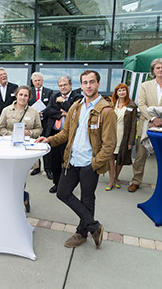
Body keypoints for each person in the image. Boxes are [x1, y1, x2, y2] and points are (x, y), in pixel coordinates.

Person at [36, 70, 116, 249]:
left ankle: (82, 233)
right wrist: (48, 139)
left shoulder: (106, 111)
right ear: (81, 85)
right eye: (85, 82)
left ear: (98, 84)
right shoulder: (76, 106)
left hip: (89, 164)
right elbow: (65, 133)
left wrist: (94, 164)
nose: (88, 86)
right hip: (72, 161)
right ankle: (94, 226)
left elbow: (109, 145)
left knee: (88, 199)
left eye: (92, 82)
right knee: (62, 192)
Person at [129, 58, 162, 192]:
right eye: (158, 68)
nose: (160, 70)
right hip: (147, 125)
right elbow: (141, 105)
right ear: (153, 70)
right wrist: (153, 119)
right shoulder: (145, 86)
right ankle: (135, 181)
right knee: (140, 157)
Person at [0, 85, 42, 212]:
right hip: (9, 148)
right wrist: (12, 135)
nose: (23, 97)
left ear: (29, 97)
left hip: (25, 150)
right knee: (9, 176)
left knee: (20, 175)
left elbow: (39, 129)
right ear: (16, 95)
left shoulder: (33, 112)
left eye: (26, 95)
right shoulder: (6, 110)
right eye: (21, 94)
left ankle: (18, 199)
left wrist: (30, 133)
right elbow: (0, 128)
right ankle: (22, 197)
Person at [42, 76, 83, 193]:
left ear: (70, 85)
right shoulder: (54, 96)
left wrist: (63, 103)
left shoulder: (77, 97)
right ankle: (56, 183)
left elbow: (75, 111)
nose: (63, 87)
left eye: (65, 85)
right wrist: (61, 115)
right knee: (54, 161)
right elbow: (47, 111)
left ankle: (66, 186)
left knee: (66, 161)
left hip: (69, 135)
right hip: (54, 133)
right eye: (60, 85)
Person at [106, 83, 137, 191]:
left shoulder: (132, 105)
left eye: (123, 90)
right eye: (119, 90)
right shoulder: (111, 104)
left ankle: (116, 178)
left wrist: (131, 141)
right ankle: (110, 181)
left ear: (127, 92)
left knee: (120, 159)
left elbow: (133, 124)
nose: (121, 92)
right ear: (116, 93)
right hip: (111, 135)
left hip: (123, 135)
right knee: (110, 158)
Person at [29, 72, 53, 178]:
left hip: (45, 122)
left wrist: (42, 112)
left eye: (39, 80)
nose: (37, 82)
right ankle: (37, 167)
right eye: (35, 80)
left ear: (42, 81)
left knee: (45, 144)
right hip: (33, 123)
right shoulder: (29, 92)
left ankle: (48, 169)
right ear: (32, 82)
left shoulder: (49, 92)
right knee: (34, 144)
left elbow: (51, 106)